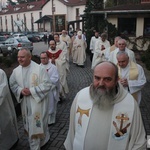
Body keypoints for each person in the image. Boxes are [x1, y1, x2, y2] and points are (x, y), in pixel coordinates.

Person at [64, 61, 146, 150]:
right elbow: (72, 131)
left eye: (107, 79)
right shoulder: (81, 97)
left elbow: (139, 142)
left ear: (116, 80)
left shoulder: (130, 104)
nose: (101, 83)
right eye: (97, 78)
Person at [9, 48, 52, 150]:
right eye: (18, 57)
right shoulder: (16, 71)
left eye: (22, 57)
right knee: (30, 125)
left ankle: (37, 145)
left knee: (37, 125)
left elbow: (47, 84)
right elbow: (12, 84)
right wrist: (20, 90)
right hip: (25, 104)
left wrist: (31, 91)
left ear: (29, 57)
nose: (19, 59)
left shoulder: (39, 69)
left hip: (38, 103)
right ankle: (39, 142)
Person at [0, 69, 19, 149]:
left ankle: (11, 143)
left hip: (2, 107)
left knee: (6, 126)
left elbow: (2, 90)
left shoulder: (0, 73)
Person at [40, 51, 60, 125]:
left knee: (51, 105)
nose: (43, 60)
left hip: (50, 90)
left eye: (45, 58)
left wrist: (46, 82)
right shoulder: (39, 67)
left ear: (48, 58)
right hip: (42, 91)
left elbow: (55, 78)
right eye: (41, 58)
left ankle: (51, 120)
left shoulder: (53, 67)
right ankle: (44, 120)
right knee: (44, 106)